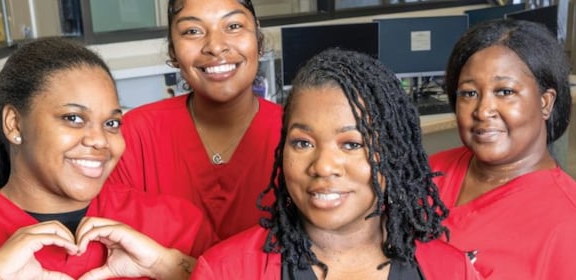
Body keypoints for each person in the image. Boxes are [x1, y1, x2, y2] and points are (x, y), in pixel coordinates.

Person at [0, 38, 214, 280]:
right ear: (14, 124)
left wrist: (170, 268)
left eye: (111, 123)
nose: (100, 140)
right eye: (73, 118)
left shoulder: (174, 226)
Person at [191, 49, 481, 279]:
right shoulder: (225, 271)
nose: (323, 166)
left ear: (392, 154)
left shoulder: (450, 270)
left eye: (352, 144)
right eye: (303, 143)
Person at [431, 19, 576, 279]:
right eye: (469, 94)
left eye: (504, 91)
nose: (482, 110)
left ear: (546, 103)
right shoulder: (429, 171)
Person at [107, 0, 282, 241]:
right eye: (192, 31)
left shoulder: (296, 135)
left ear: (258, 39)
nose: (216, 46)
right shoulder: (135, 136)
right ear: (173, 51)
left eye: (233, 26)